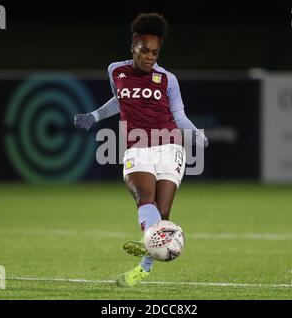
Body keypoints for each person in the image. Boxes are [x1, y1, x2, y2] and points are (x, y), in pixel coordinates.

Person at [74, 12, 208, 287]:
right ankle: (151, 250)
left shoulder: (168, 79)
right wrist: (94, 116)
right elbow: (118, 100)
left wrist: (194, 133)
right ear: (132, 47)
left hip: (170, 144)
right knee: (144, 199)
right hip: (137, 146)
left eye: (155, 53)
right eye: (144, 50)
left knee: (163, 215)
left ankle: (144, 266)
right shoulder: (116, 70)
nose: (149, 57)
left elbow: (179, 116)